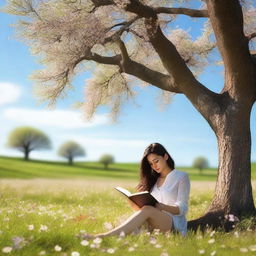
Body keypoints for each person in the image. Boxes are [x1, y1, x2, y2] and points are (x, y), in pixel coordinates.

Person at [81, 143, 190, 238]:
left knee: (147, 210)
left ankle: (104, 236)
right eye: (151, 164)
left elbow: (183, 208)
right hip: (154, 222)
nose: (154, 166)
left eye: (156, 161)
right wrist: (135, 202)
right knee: (127, 221)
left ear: (165, 156)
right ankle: (112, 236)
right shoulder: (154, 180)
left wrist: (162, 206)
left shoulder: (181, 177)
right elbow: (146, 209)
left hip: (174, 225)